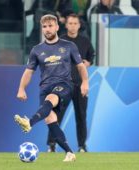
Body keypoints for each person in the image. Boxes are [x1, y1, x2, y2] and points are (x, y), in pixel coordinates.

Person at [14, 14, 89, 162]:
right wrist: (21, 89)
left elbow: (81, 67)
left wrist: (85, 82)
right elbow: (28, 72)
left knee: (51, 99)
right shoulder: (36, 50)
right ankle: (69, 152)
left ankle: (29, 122)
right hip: (45, 87)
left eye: (50, 26)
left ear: (57, 27)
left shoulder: (69, 46)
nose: (47, 29)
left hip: (64, 85)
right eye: (44, 27)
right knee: (51, 121)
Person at [47, 13, 95, 153]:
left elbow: (90, 58)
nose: (73, 26)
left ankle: (82, 146)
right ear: (66, 25)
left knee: (81, 116)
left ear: (79, 25)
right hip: (63, 85)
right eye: (70, 23)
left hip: (81, 85)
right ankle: (51, 144)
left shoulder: (85, 42)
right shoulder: (60, 40)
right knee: (56, 115)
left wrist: (88, 63)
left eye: (75, 23)